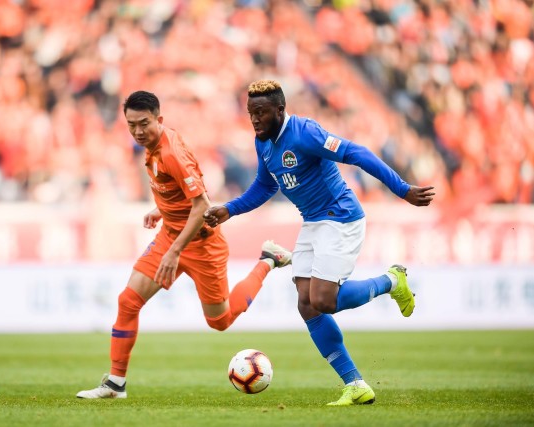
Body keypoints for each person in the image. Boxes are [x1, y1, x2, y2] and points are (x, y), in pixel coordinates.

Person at [204, 80, 435, 406]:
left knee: (324, 299)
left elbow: (356, 153)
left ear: (280, 110)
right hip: (313, 221)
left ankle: (391, 281)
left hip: (340, 216)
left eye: (261, 112)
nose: (254, 119)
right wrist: (230, 209)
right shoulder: (263, 142)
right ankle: (355, 384)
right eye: (251, 112)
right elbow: (265, 186)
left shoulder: (304, 133)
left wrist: (402, 189)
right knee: (307, 304)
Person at [76, 91, 292, 399]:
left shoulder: (172, 152)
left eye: (144, 123)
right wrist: (161, 210)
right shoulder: (151, 146)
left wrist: (174, 252)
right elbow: (180, 192)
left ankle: (268, 259)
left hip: (202, 243)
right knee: (128, 301)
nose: (138, 131)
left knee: (220, 321)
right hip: (171, 235)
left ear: (159, 120)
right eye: (131, 124)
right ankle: (115, 384)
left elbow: (202, 205)